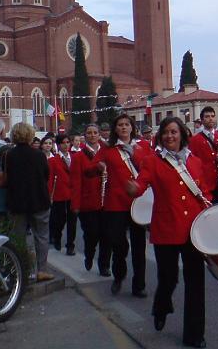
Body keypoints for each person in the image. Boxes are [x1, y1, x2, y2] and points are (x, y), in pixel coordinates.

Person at [127, 117, 208, 347]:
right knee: (168, 278)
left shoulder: (196, 162)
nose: (169, 136)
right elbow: (141, 184)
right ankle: (161, 305)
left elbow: (204, 192)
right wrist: (134, 188)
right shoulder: (153, 162)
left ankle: (194, 335)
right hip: (166, 229)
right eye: (165, 133)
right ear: (160, 137)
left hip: (194, 231)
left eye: (174, 132)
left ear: (182, 134)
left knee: (195, 283)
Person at [92, 114, 151, 297]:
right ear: (115, 129)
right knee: (118, 245)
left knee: (139, 246)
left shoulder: (143, 147)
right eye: (120, 125)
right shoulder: (108, 149)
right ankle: (119, 276)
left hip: (138, 202)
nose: (124, 127)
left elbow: (150, 169)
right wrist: (98, 167)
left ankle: (139, 285)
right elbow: (91, 168)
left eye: (127, 124)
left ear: (132, 127)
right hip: (116, 203)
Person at [6, 123, 54, 282]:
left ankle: (20, 270)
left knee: (18, 237)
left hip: (17, 202)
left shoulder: (9, 155)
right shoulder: (39, 155)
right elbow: (46, 175)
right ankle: (41, 270)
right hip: (38, 200)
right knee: (41, 236)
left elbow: (7, 178)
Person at [71, 124, 111, 275]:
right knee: (91, 234)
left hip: (106, 201)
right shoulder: (79, 156)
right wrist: (75, 204)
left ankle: (104, 265)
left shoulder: (107, 152)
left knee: (107, 235)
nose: (93, 135)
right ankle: (89, 254)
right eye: (89, 133)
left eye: (95, 132)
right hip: (88, 201)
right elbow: (75, 182)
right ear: (85, 136)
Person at [188, 106, 218, 204]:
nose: (210, 118)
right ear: (202, 120)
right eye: (207, 116)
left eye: (212, 116)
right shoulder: (195, 140)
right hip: (206, 183)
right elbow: (192, 163)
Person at [48, 134, 77, 255]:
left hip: (73, 193)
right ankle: (57, 237)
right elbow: (50, 179)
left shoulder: (75, 157)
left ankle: (70, 245)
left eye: (67, 142)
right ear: (58, 145)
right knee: (59, 219)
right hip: (59, 193)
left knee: (72, 220)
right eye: (63, 143)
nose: (66, 145)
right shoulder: (53, 160)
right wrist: (49, 195)